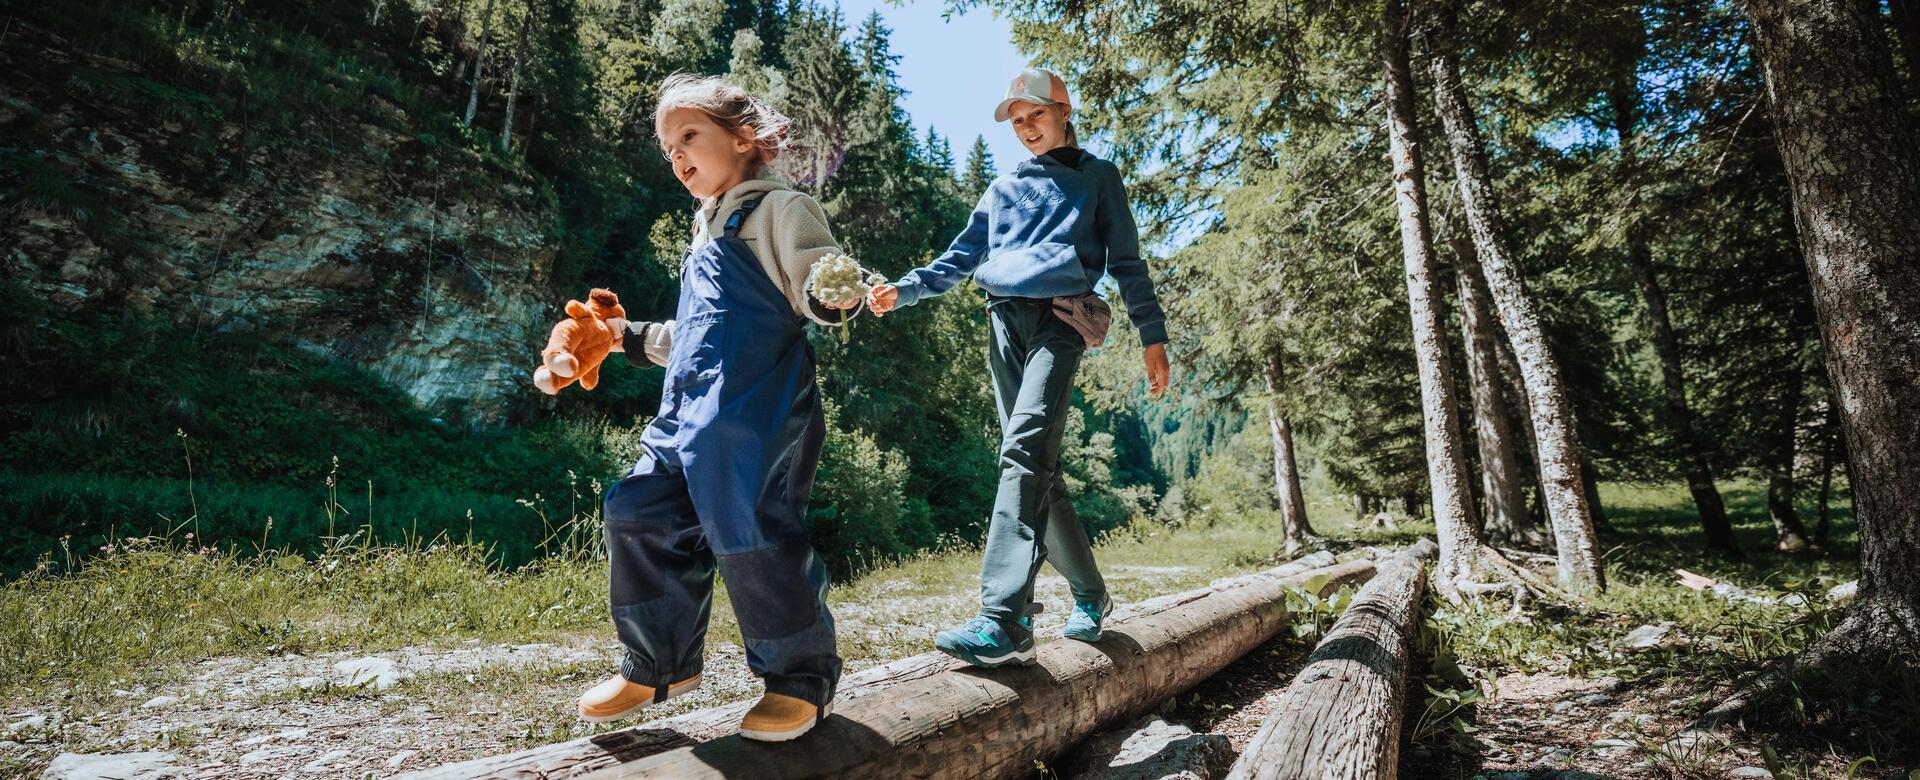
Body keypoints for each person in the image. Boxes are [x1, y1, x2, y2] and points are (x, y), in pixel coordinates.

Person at [575, 73, 857, 742]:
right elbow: (694, 336)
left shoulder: (781, 209)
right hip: (685, 411)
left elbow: (819, 277)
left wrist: (834, 290)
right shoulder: (705, 231)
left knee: (749, 526)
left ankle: (799, 679)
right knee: (636, 510)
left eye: (689, 136)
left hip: (755, 413)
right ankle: (658, 664)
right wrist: (625, 337)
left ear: (744, 138)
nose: (676, 155)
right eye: (667, 147)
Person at [868, 66, 1172, 667]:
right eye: (1017, 119)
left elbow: (1128, 263)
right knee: (1037, 467)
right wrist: (902, 291)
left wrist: (1152, 337)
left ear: (1064, 112)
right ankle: (1091, 596)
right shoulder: (1002, 189)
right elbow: (958, 259)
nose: (1027, 127)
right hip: (1003, 323)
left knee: (1024, 451)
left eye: (1036, 114)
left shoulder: (1097, 177)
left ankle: (1004, 618)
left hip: (1061, 319)